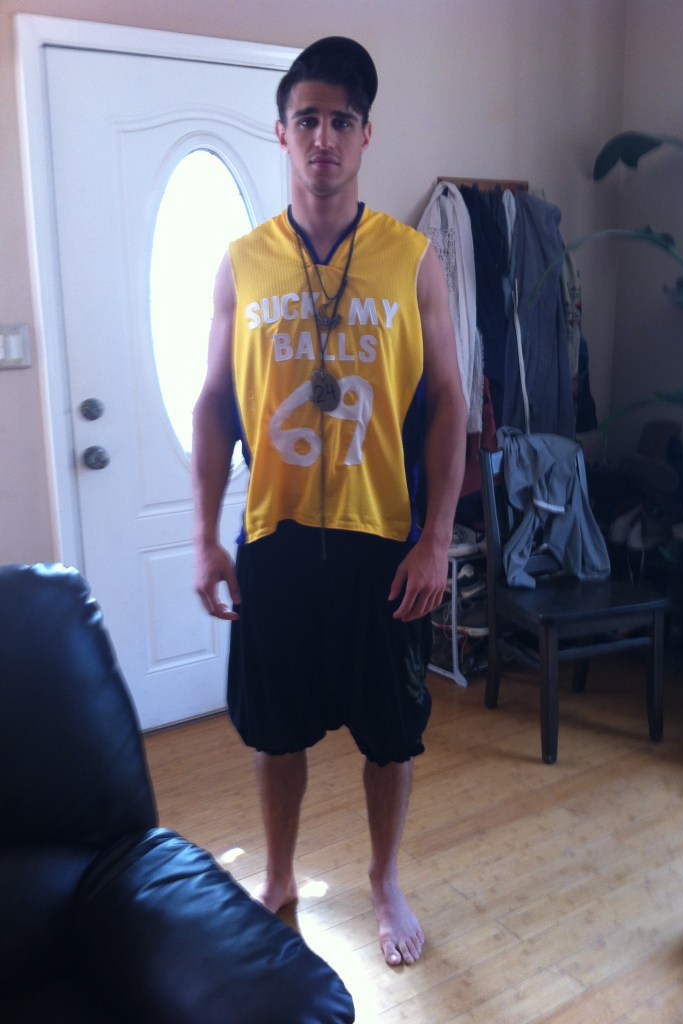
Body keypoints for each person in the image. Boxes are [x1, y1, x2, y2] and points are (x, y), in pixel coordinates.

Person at [192, 36, 466, 968]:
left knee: (390, 737)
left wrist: (436, 539)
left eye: (340, 121)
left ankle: (385, 881)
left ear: (364, 135)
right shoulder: (241, 263)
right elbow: (212, 403)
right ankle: (278, 876)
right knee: (275, 731)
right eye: (306, 119)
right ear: (281, 131)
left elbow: (449, 402)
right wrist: (204, 536)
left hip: (380, 543)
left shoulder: (411, 258)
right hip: (273, 539)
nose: (322, 138)